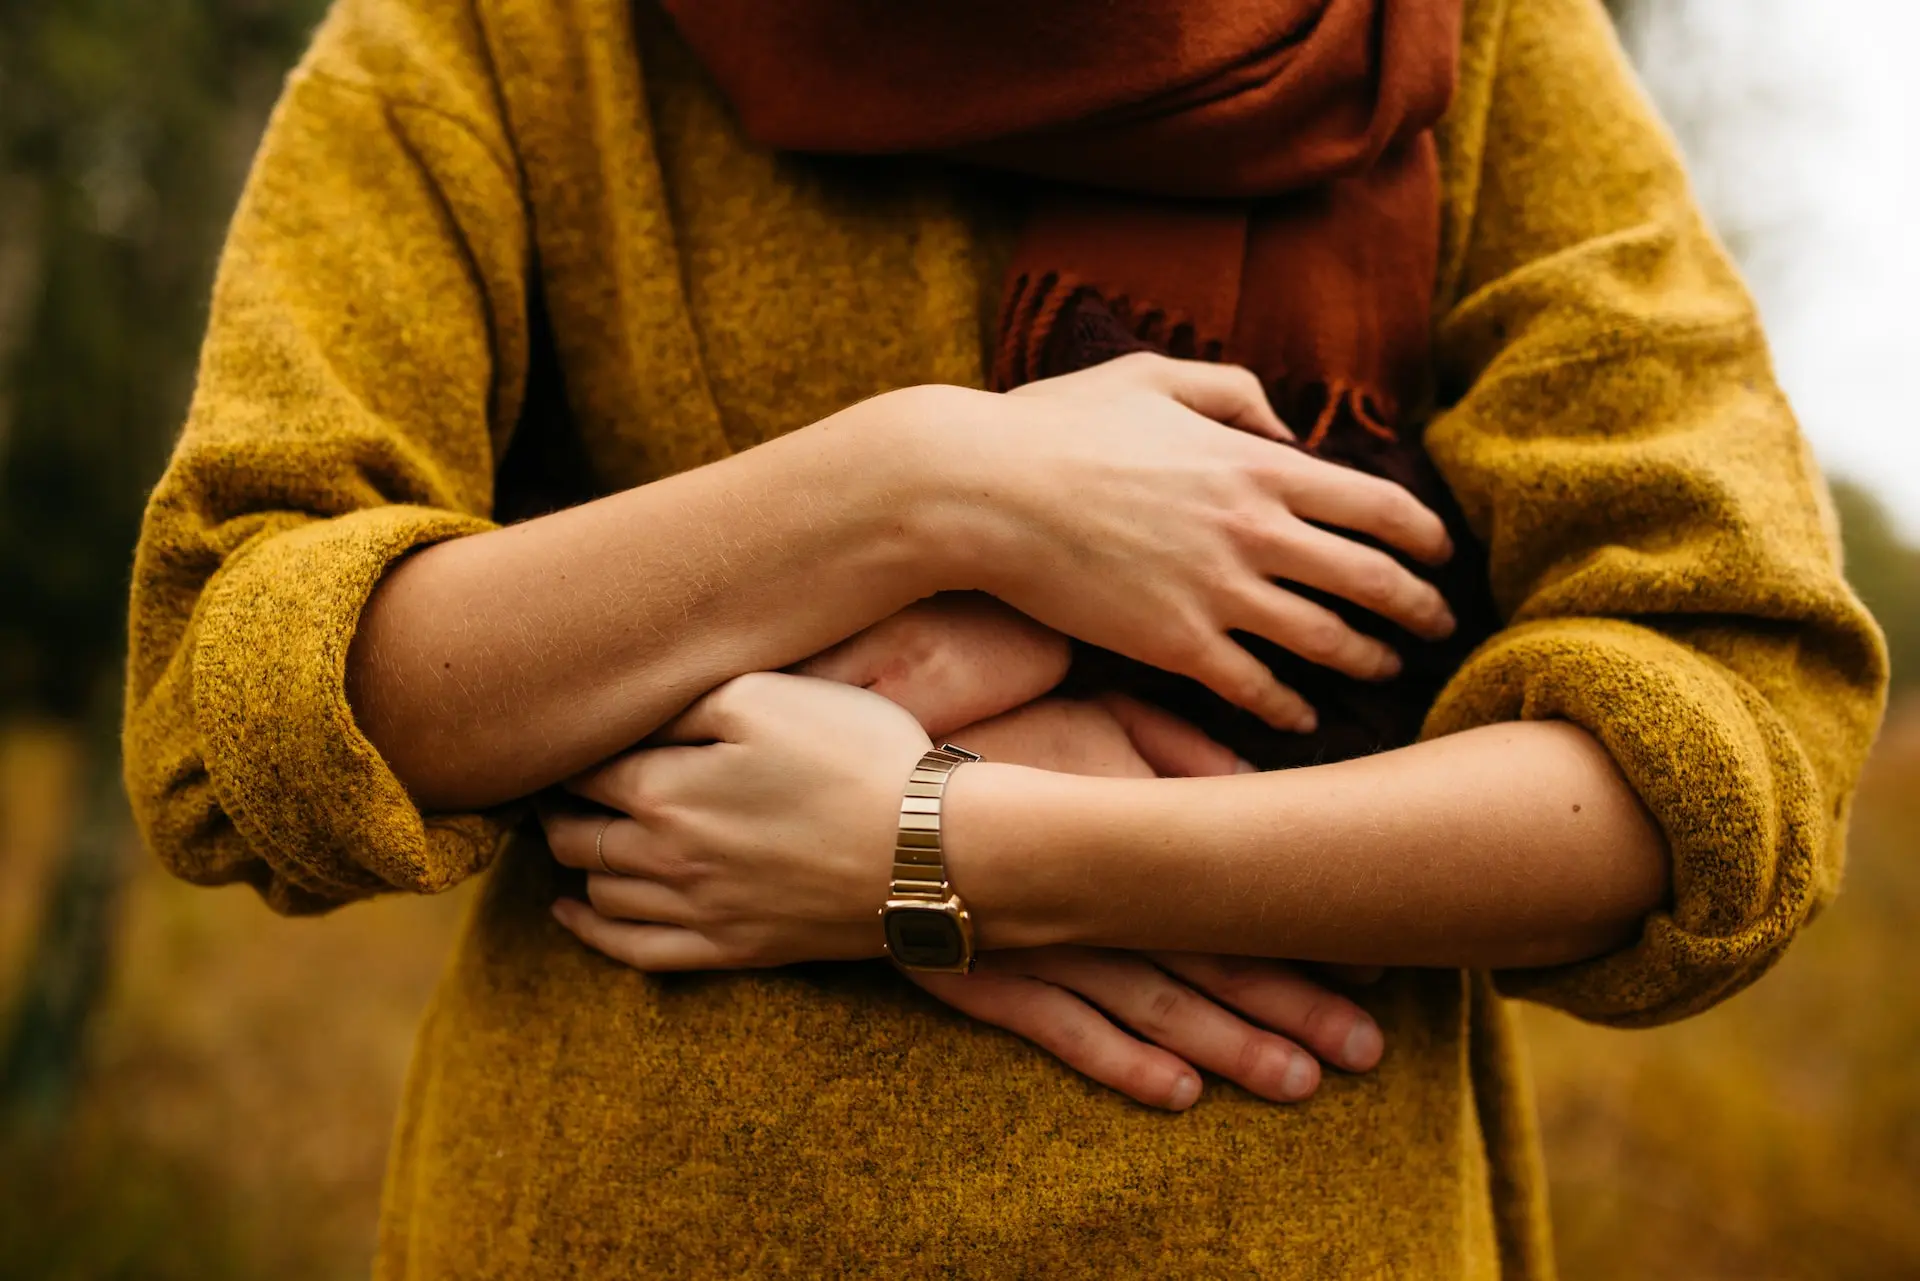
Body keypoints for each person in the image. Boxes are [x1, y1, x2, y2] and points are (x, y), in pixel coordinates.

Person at [122, 0, 1885, 1275]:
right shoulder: (499, 38)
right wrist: (920, 486)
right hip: (614, 1219)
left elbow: (1731, 760)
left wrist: (962, 848)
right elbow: (235, 702)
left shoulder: (1474, 43)